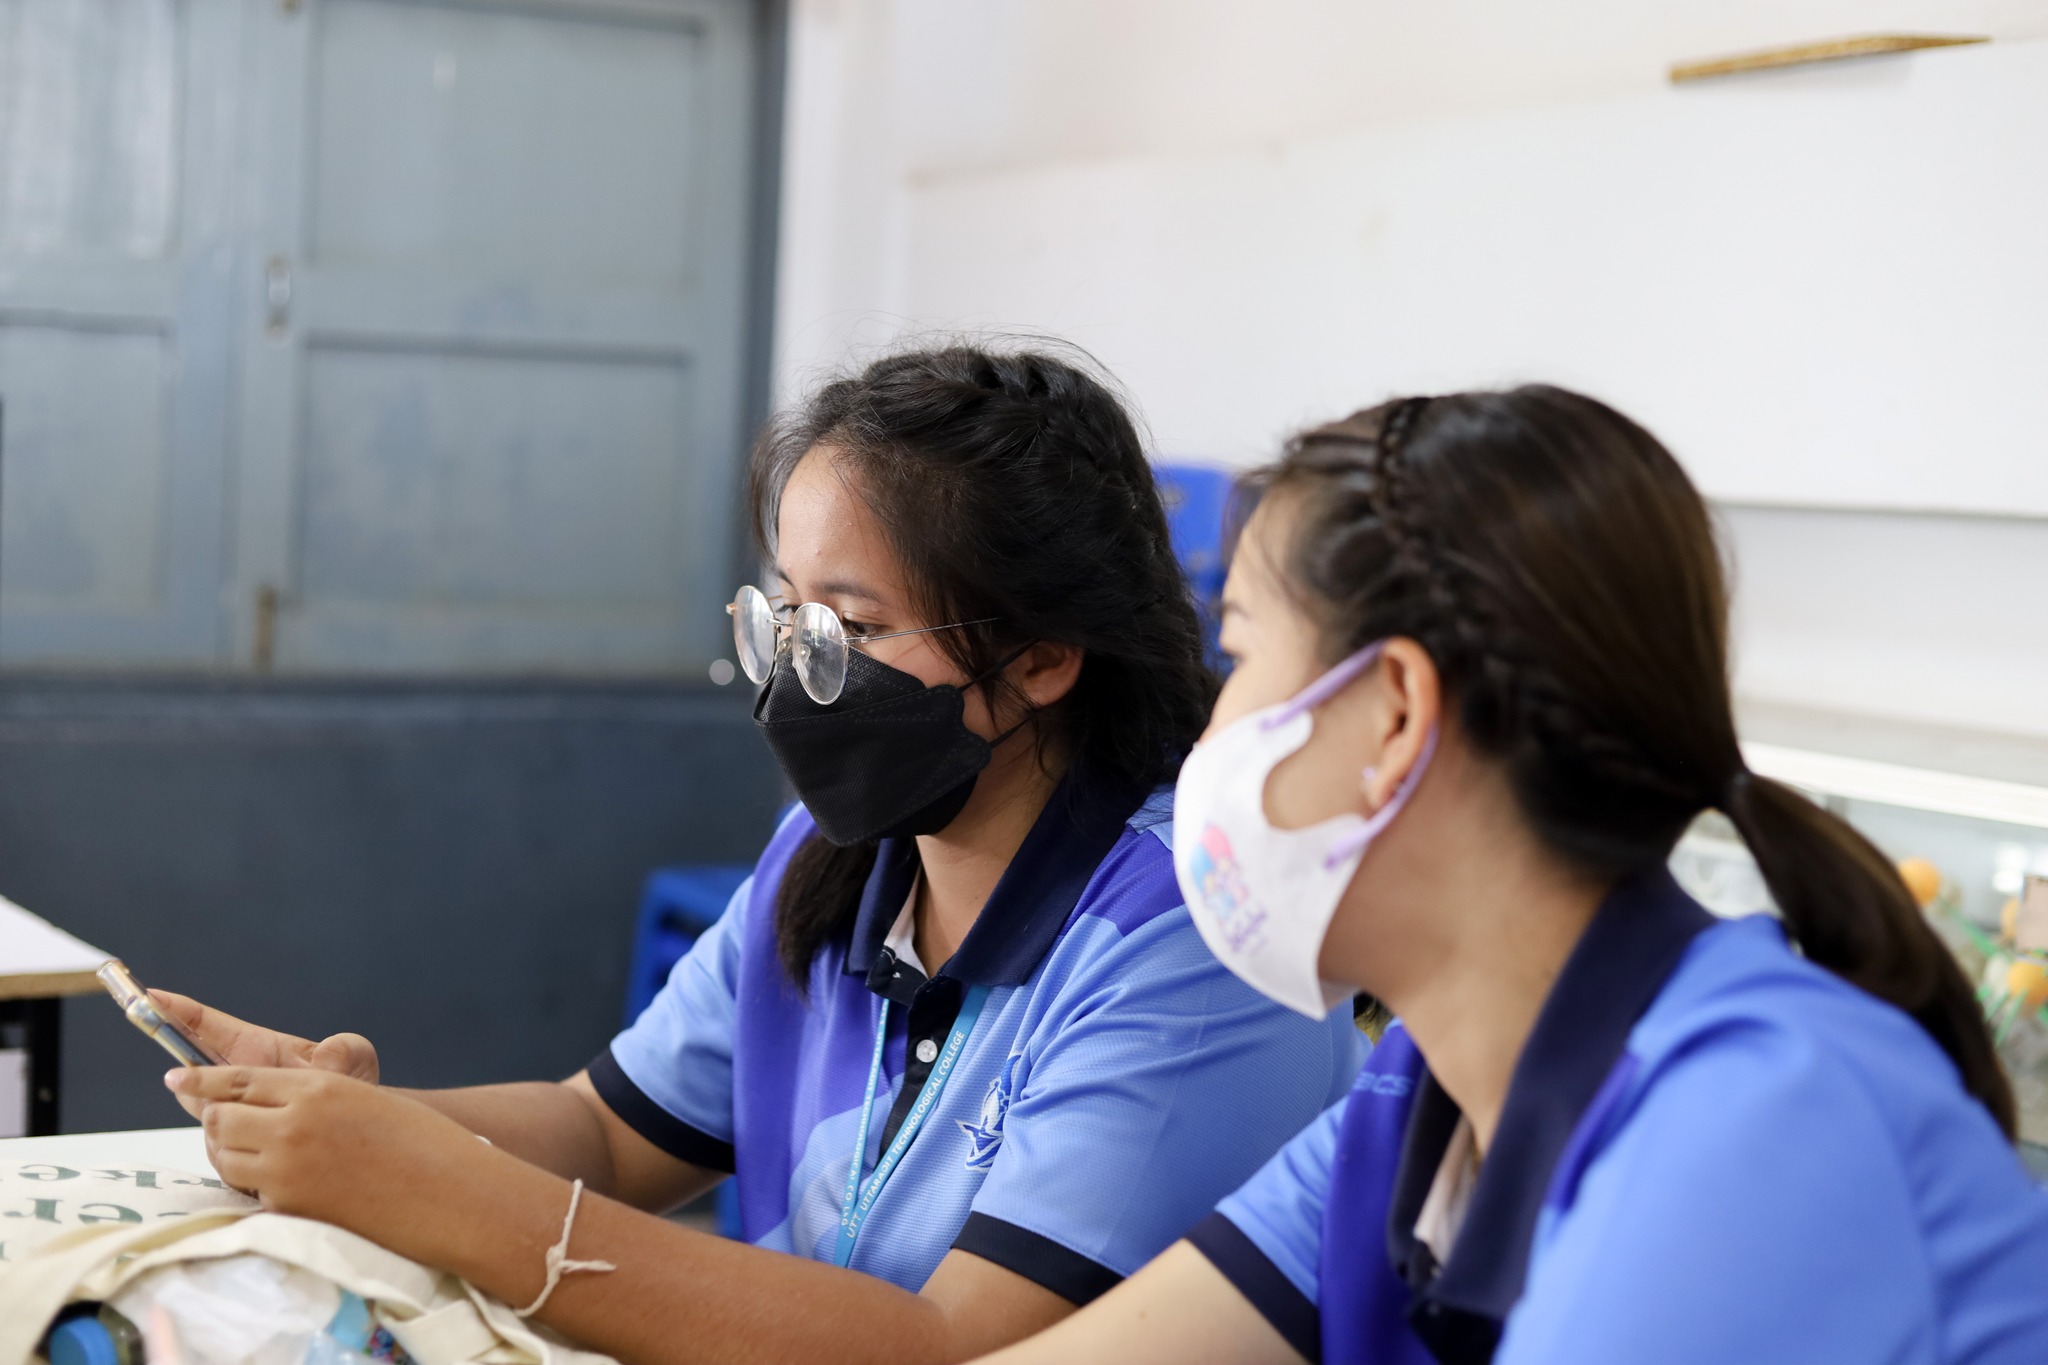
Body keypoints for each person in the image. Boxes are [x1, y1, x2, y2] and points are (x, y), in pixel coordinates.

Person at [154, 346, 1363, 1364]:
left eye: (854, 624)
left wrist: (442, 1192)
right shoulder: (833, 857)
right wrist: (356, 1124)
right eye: (785, 613)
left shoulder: (1187, 938)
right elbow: (607, 1136)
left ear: (1043, 657)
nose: (798, 667)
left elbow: (957, 1345)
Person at [972, 386, 2048, 1365]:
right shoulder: (1412, 1114)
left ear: (1392, 714)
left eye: (1241, 654)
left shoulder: (1754, 1117)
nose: (1217, 717)